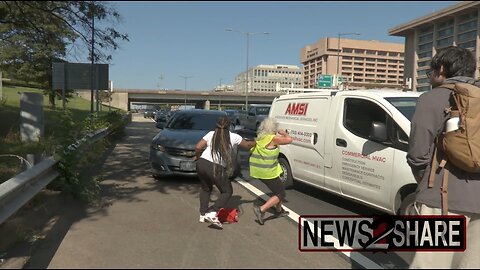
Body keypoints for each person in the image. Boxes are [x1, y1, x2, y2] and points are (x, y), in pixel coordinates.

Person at [407, 46, 480, 268]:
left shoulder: (432, 99)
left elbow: (418, 155)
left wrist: (424, 183)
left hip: (442, 200)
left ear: (441, 68)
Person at [194, 116, 255, 229]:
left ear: (216, 125)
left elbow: (198, 147)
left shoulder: (211, 134)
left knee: (206, 188)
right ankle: (212, 212)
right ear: (229, 126)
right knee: (227, 191)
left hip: (201, 163)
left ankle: (202, 214)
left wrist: (197, 157)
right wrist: (256, 142)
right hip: (215, 167)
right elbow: (247, 145)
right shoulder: (234, 136)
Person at [250, 117, 293, 225]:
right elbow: (289, 140)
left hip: (260, 171)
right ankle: (261, 209)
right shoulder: (272, 138)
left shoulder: (261, 138)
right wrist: (283, 133)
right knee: (281, 193)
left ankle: (279, 211)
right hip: (267, 171)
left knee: (278, 189)